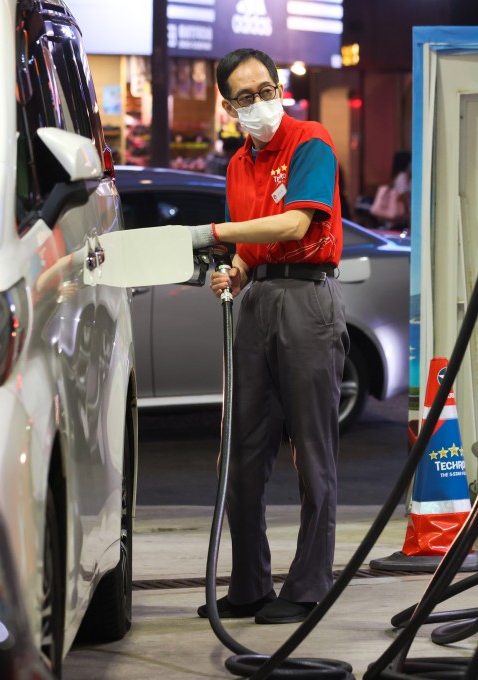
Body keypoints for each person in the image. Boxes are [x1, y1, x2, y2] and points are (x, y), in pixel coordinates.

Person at [187, 48, 348, 625]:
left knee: (312, 451)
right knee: (243, 452)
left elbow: (295, 223)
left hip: (307, 297)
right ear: (228, 106)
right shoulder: (237, 166)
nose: (260, 103)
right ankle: (250, 583)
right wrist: (233, 269)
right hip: (256, 302)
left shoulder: (310, 141)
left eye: (267, 90)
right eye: (246, 97)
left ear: (280, 88)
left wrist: (214, 232)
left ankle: (309, 586)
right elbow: (252, 252)